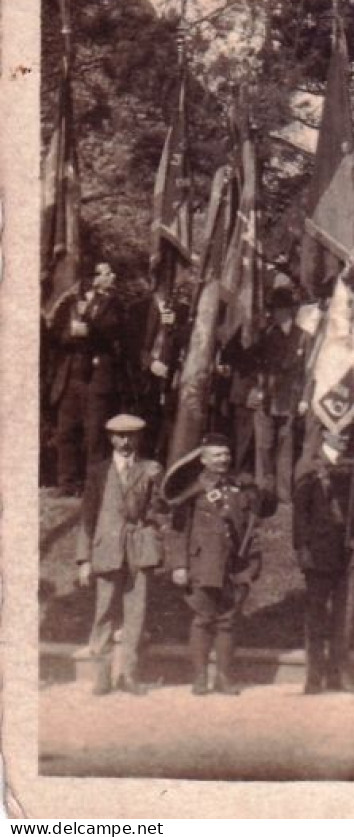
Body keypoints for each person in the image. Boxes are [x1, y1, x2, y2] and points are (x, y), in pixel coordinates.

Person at [161, 434, 277, 695]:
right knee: (203, 619)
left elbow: (257, 518)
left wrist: (264, 487)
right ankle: (200, 678)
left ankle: (224, 678)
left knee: (228, 621)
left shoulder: (240, 487)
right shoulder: (192, 491)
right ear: (203, 459)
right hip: (203, 564)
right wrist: (179, 565)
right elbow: (179, 530)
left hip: (235, 564)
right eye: (216, 455)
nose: (223, 459)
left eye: (225, 454)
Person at [75, 414, 164, 695]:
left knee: (136, 614)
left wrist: (158, 483)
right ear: (111, 438)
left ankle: (128, 674)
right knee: (103, 612)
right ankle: (101, 674)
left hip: (138, 549)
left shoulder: (149, 469)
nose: (126, 442)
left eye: (131, 436)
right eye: (120, 436)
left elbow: (158, 511)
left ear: (139, 438)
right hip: (107, 549)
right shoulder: (98, 472)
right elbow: (88, 517)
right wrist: (84, 559)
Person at [292, 427, 354, 694]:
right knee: (316, 616)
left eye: (349, 431)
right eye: (338, 431)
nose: (345, 436)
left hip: (348, 550)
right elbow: (300, 514)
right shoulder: (309, 466)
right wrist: (303, 550)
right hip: (319, 552)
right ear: (324, 433)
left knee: (344, 617)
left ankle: (340, 673)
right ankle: (314, 677)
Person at [46, 260, 122, 496]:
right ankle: (67, 483)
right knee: (66, 432)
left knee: (95, 434)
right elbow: (56, 335)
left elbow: (112, 330)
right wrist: (72, 333)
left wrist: (88, 325)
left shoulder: (114, 304)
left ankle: (92, 487)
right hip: (70, 377)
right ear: (94, 277)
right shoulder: (68, 302)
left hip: (96, 379)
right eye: (108, 272)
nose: (113, 276)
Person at [251, 285, 311, 505]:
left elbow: (309, 371)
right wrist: (257, 389)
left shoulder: (304, 337)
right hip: (267, 397)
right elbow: (256, 365)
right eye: (274, 309)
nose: (276, 313)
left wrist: (305, 398)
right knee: (264, 446)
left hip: (291, 399)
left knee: (286, 447)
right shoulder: (265, 335)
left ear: (290, 310)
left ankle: (283, 495)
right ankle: (262, 491)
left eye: (280, 308)